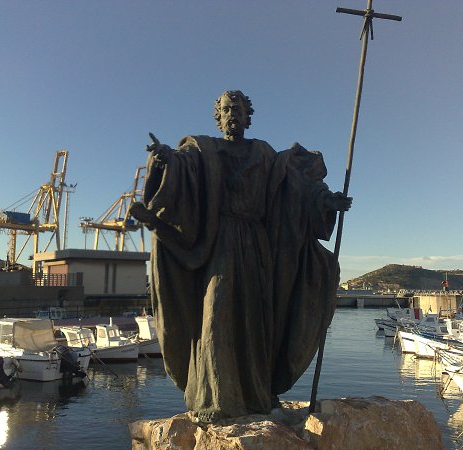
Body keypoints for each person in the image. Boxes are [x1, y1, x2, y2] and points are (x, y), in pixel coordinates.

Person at [130, 90, 351, 422]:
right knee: (216, 310)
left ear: (248, 116)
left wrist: (325, 200)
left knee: (257, 317)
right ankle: (213, 398)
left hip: (258, 244)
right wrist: (166, 159)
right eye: (226, 109)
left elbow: (294, 184)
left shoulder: (263, 153)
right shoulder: (205, 150)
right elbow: (182, 164)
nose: (232, 113)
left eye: (238, 109)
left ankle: (257, 393)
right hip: (220, 241)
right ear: (218, 117)